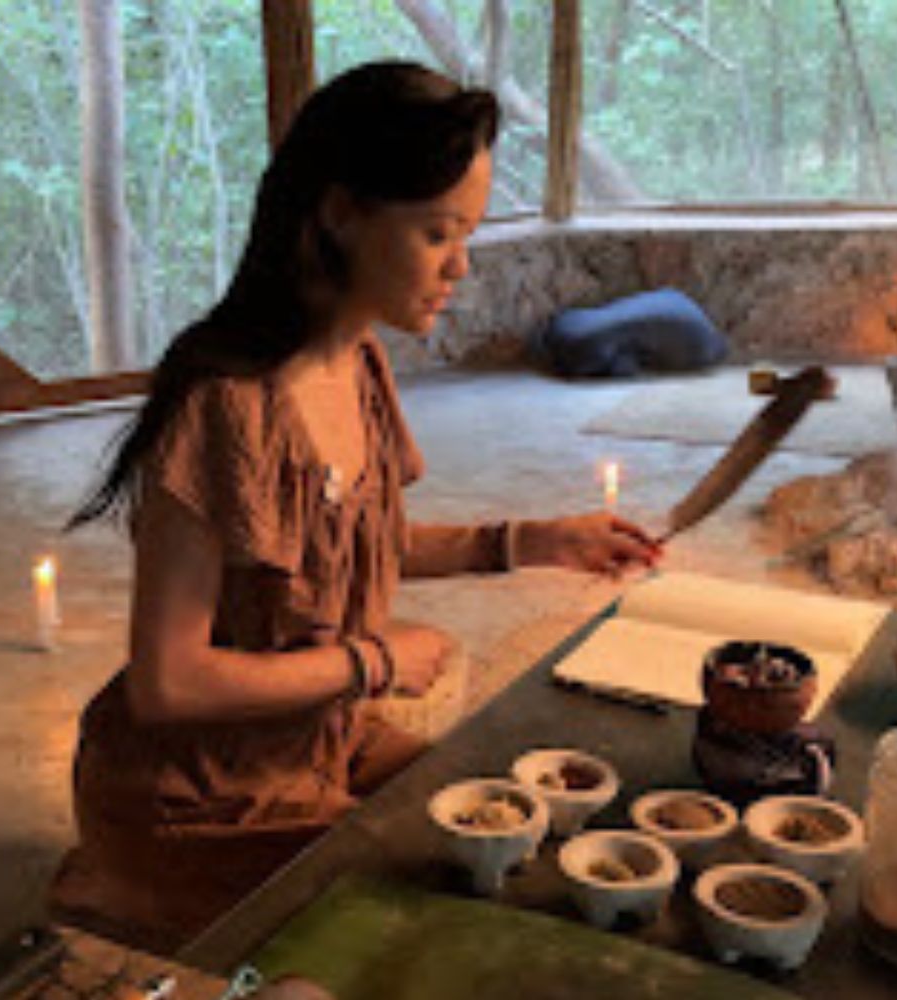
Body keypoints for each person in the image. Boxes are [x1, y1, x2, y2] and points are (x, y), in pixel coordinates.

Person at [50, 60, 662, 952]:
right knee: (452, 915)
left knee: (514, 824)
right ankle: (140, 895)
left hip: (315, 740)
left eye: (467, 234)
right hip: (197, 796)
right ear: (340, 212)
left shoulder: (360, 362)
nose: (460, 265)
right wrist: (370, 662)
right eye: (436, 233)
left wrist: (531, 540)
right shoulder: (224, 406)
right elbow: (168, 682)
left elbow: (344, 547)